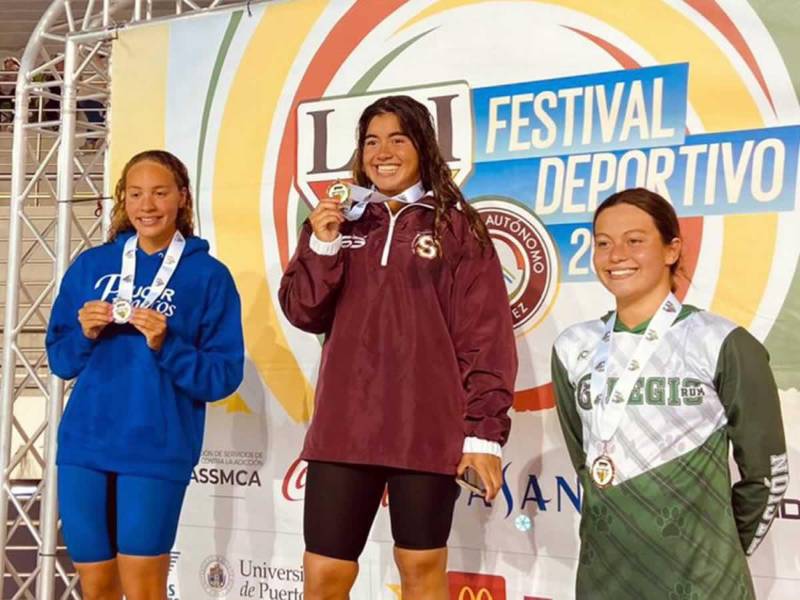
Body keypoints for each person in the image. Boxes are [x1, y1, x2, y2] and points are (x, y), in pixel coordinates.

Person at [279, 95, 517, 600]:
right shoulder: (339, 220)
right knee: (325, 575)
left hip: (426, 427)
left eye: (397, 139)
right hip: (345, 427)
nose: (382, 152)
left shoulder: (457, 226)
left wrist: (484, 436)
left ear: (422, 147)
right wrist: (322, 243)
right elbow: (303, 311)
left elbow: (485, 336)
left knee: (421, 568)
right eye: (371, 141)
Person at [551, 187, 788, 600]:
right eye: (603, 243)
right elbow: (585, 462)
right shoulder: (573, 347)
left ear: (671, 250)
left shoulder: (722, 341)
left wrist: (720, 551)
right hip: (604, 581)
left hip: (705, 585)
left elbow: (766, 474)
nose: (616, 255)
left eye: (635, 240)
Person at [46, 150, 244, 600]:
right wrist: (84, 333)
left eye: (159, 193)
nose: (147, 205)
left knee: (143, 589)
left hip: (155, 448)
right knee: (96, 587)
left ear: (182, 198)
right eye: (135, 194)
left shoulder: (208, 276)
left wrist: (166, 345)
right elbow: (61, 360)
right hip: (84, 446)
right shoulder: (92, 267)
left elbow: (223, 376)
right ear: (123, 201)